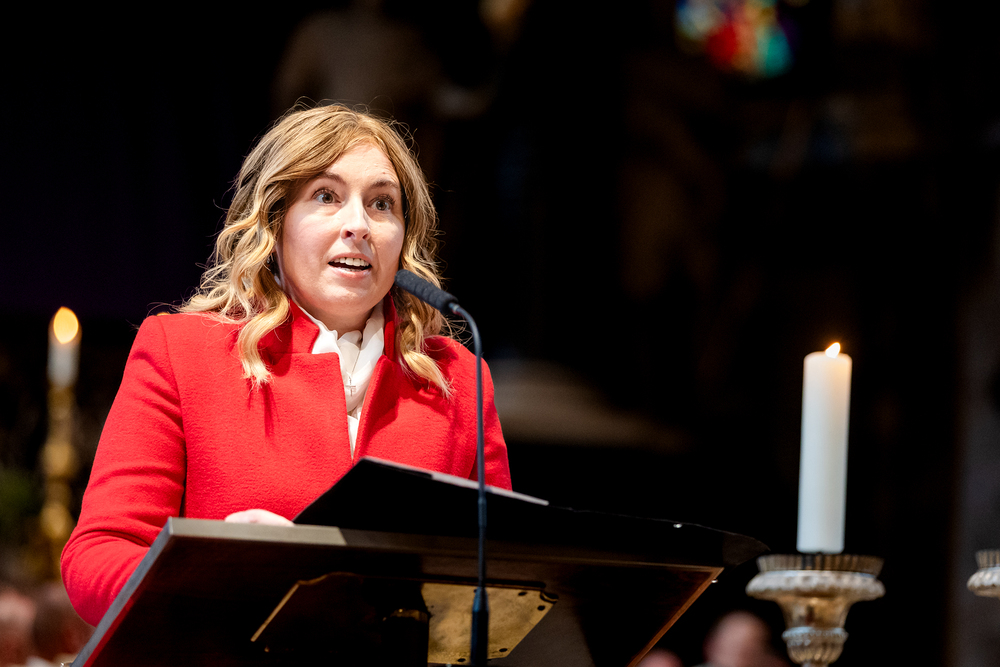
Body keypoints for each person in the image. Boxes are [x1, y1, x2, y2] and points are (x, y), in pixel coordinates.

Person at [60, 104, 512, 626]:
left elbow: (508, 576)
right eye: (326, 196)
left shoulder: (458, 380)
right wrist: (218, 579)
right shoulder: (183, 352)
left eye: (381, 203)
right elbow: (98, 554)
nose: (359, 225)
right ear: (275, 224)